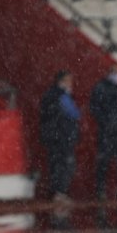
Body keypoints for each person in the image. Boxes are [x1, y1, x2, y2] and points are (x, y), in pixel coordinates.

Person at [90, 64, 117, 200]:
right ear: (109, 73)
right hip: (106, 132)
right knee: (104, 161)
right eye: (114, 72)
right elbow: (94, 107)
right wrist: (106, 121)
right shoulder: (101, 87)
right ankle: (101, 190)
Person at [39, 70, 81, 202]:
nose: (71, 84)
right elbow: (74, 114)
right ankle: (60, 192)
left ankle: (56, 192)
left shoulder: (51, 95)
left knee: (56, 164)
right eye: (68, 81)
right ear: (61, 81)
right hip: (62, 136)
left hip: (55, 136)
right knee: (64, 165)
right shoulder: (60, 96)